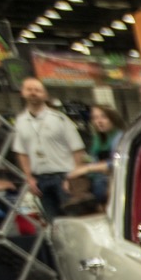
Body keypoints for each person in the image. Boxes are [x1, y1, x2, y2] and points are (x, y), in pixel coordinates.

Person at [11, 77, 87, 222]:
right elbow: (21, 153)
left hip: (64, 177)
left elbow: (78, 150)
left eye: (37, 90)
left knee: (74, 220)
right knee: (54, 222)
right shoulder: (20, 122)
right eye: (29, 89)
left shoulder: (60, 119)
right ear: (22, 93)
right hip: (40, 180)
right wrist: (29, 178)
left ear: (45, 95)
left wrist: (74, 178)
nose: (33, 93)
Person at [65, 104, 125, 208]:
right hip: (98, 180)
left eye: (103, 117)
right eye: (95, 118)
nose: (99, 121)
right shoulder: (98, 140)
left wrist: (88, 168)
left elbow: (117, 163)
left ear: (112, 118)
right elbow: (94, 160)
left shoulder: (120, 138)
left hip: (113, 182)